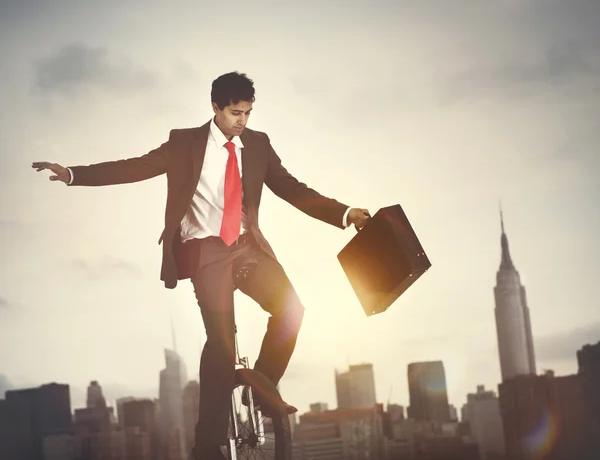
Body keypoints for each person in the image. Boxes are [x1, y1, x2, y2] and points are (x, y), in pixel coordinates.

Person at [32, 71, 370, 460]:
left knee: (292, 311)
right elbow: (133, 167)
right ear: (215, 108)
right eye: (234, 113)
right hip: (204, 251)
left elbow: (293, 189)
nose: (242, 121)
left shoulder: (257, 145)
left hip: (245, 248)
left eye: (248, 112)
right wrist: (73, 174)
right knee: (222, 348)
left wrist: (344, 213)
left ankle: (261, 391)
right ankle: (206, 448)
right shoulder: (184, 143)